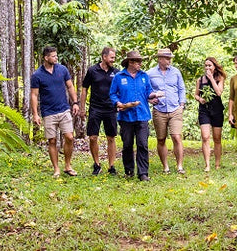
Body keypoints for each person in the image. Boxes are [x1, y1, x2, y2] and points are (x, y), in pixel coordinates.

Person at [29, 46, 80, 177]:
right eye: (53, 56)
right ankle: (56, 168)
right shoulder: (37, 75)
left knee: (69, 137)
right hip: (48, 112)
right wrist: (35, 114)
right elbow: (34, 95)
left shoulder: (62, 70)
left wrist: (75, 103)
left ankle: (68, 165)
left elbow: (70, 86)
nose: (56, 58)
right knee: (52, 140)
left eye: (56, 56)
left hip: (63, 109)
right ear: (46, 58)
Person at [109, 50, 154, 181]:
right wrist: (118, 103)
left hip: (142, 115)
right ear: (130, 62)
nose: (140, 64)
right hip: (125, 116)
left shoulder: (144, 76)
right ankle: (129, 170)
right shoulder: (119, 76)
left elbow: (149, 92)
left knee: (142, 144)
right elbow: (112, 94)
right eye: (137, 62)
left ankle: (143, 173)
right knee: (127, 144)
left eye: (140, 61)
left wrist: (154, 96)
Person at [147, 47, 186, 174]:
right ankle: (165, 167)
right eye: (167, 58)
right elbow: (145, 91)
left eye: (170, 58)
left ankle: (180, 166)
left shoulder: (176, 72)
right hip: (159, 110)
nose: (169, 60)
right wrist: (150, 99)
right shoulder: (150, 73)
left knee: (176, 136)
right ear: (160, 59)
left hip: (175, 108)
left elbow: (182, 89)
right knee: (161, 139)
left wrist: (182, 105)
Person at [80, 46, 118, 175]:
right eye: (112, 57)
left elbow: (120, 90)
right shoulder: (92, 70)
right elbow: (84, 88)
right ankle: (96, 164)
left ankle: (111, 166)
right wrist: (82, 107)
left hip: (111, 108)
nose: (114, 60)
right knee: (92, 137)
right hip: (95, 108)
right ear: (104, 57)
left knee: (111, 137)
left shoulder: (116, 72)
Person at [193, 57, 226, 172]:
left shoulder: (220, 78)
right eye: (206, 65)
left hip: (217, 110)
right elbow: (196, 95)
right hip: (204, 110)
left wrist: (211, 79)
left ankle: (217, 164)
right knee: (205, 137)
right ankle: (207, 164)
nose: (207, 68)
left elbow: (218, 92)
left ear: (215, 67)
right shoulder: (200, 80)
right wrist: (200, 99)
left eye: (210, 65)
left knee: (217, 138)